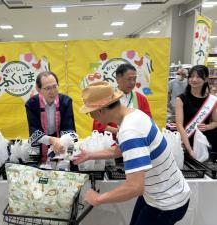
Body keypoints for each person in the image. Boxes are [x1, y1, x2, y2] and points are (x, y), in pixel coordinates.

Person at [74, 81, 190, 225]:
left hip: (166, 202)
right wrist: (90, 155)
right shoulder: (134, 114)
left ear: (100, 110)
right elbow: (121, 149)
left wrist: (98, 198)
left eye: (90, 113)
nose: (92, 117)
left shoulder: (130, 131)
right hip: (159, 193)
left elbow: (135, 187)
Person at [25, 71, 76, 162]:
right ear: (38, 89)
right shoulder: (31, 104)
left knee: (64, 166)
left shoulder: (66, 101)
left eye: (55, 87)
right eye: (47, 88)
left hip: (61, 140)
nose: (52, 92)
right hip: (40, 142)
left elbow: (68, 127)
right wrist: (52, 140)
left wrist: (61, 142)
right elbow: (34, 130)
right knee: (37, 169)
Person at [93, 64, 152, 139]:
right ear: (118, 79)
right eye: (129, 79)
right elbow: (98, 125)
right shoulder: (107, 98)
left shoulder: (141, 99)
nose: (133, 82)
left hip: (136, 141)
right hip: (112, 142)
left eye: (134, 79)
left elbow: (148, 122)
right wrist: (119, 131)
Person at [176, 65, 217, 159]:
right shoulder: (181, 99)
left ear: (206, 79)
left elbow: (215, 122)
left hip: (204, 143)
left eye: (198, 77)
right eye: (191, 76)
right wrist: (189, 149)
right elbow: (179, 125)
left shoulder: (211, 100)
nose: (194, 79)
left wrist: (208, 126)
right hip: (185, 143)